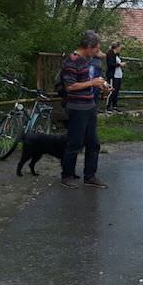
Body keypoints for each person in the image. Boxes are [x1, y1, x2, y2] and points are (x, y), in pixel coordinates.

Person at [59, 30, 108, 189]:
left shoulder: (87, 60)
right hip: (76, 107)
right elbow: (70, 86)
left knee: (93, 143)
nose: (97, 52)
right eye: (95, 49)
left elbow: (88, 82)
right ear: (87, 46)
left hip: (89, 106)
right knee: (75, 143)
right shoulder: (71, 61)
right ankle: (67, 176)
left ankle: (90, 176)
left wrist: (102, 86)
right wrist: (92, 83)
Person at [105, 42, 124, 112]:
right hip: (112, 75)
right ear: (117, 47)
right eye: (120, 47)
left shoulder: (117, 55)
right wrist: (119, 64)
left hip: (118, 75)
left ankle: (114, 106)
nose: (120, 49)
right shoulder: (110, 53)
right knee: (112, 90)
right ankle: (108, 106)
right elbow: (110, 64)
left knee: (116, 91)